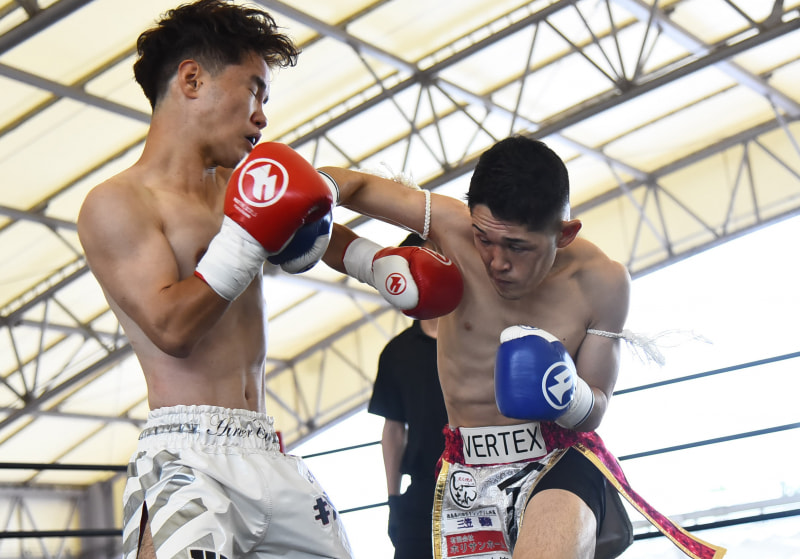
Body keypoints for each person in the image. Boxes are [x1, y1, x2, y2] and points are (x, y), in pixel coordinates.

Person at [320, 136, 727, 559]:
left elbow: (597, 405)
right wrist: (318, 209)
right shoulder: (451, 227)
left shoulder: (602, 281)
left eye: (517, 246)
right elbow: (351, 186)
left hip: (556, 460)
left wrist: (566, 393)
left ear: (564, 234)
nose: (497, 261)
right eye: (484, 239)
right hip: (465, 469)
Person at [76, 2, 353, 558]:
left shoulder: (242, 186)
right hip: (188, 458)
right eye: (254, 91)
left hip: (268, 447)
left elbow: (328, 208)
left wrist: (382, 263)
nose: (262, 117)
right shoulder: (117, 203)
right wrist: (246, 236)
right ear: (192, 79)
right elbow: (171, 328)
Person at [368, 232, 448, 559]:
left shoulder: (479, 337)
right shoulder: (397, 352)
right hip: (423, 490)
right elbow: (393, 429)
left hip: (485, 477)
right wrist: (393, 498)